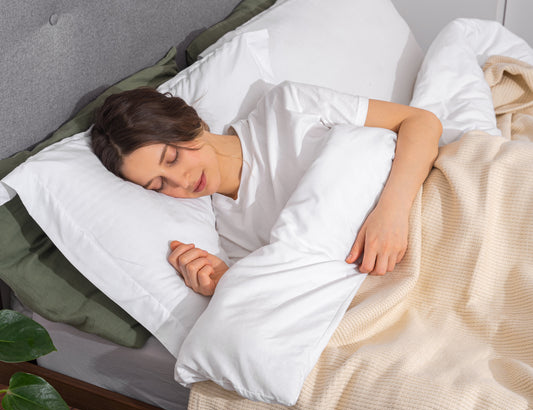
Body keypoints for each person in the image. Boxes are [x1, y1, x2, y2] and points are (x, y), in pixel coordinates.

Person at [91, 83, 442, 296]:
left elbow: (420, 121)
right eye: (158, 185)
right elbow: (294, 286)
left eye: (172, 158)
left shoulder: (286, 107)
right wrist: (225, 284)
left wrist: (392, 211)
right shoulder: (228, 232)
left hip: (430, 200)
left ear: (187, 122)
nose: (181, 182)